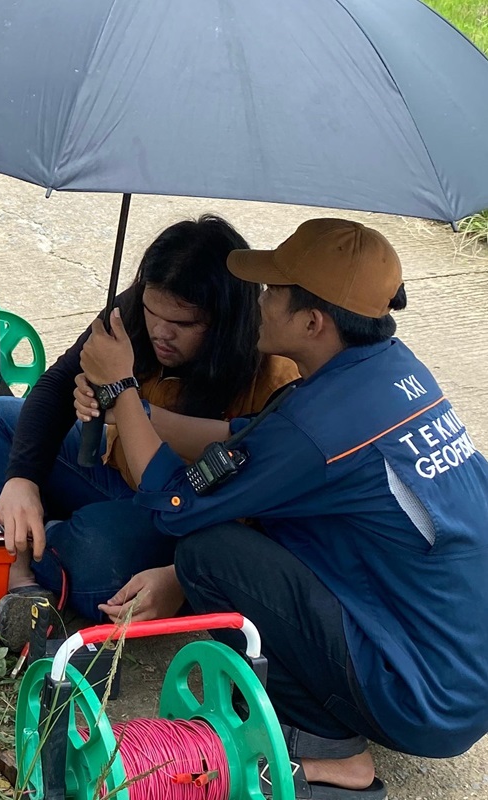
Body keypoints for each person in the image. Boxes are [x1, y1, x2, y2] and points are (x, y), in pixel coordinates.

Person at [78, 218, 488, 798]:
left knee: (207, 553)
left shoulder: (318, 427)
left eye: (273, 293)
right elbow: (250, 442)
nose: (260, 303)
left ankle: (329, 750)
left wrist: (118, 389)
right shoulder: (393, 371)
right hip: (464, 670)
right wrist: (137, 411)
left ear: (313, 321)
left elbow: (176, 504)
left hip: (419, 696)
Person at [0, 216, 298, 638]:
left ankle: (30, 534)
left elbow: (262, 517)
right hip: (116, 474)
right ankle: (25, 559)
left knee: (96, 563)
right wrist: (22, 479)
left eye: (182, 324)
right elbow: (55, 385)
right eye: (152, 311)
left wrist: (179, 575)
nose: (160, 332)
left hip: (188, 522)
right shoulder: (135, 312)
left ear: (226, 320)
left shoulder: (273, 372)